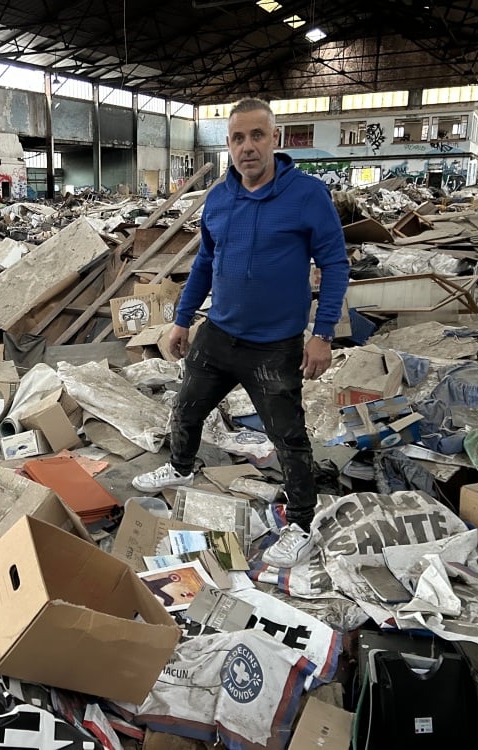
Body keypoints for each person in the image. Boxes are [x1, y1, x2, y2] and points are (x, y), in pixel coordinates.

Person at [132, 98, 350, 568]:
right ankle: (181, 468)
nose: (247, 147)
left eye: (256, 136)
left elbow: (335, 263)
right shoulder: (219, 198)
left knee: (288, 437)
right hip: (220, 335)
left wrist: (323, 333)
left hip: (275, 346)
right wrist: (182, 318)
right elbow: (205, 263)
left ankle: (299, 523)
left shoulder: (307, 195)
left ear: (275, 139)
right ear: (227, 145)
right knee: (187, 407)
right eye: (237, 138)